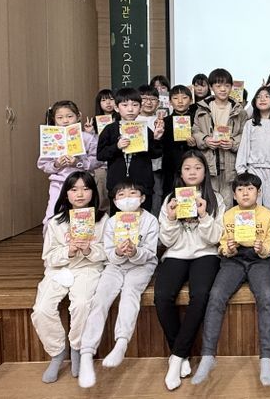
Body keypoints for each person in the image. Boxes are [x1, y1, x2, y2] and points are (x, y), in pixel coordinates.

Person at [191, 173, 270, 387]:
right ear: (234, 194)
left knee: (267, 296)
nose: (245, 193)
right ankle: (208, 356)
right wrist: (228, 249)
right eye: (240, 190)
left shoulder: (268, 215)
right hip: (234, 261)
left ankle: (266, 358)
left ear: (259, 192)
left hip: (260, 261)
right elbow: (222, 245)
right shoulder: (229, 215)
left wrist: (262, 248)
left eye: (250, 189)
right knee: (216, 295)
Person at [78, 180, 159, 388]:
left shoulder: (150, 221)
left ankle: (121, 342)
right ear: (115, 201)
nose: (127, 198)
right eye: (121, 195)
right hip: (115, 266)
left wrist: (135, 252)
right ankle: (86, 352)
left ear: (142, 198)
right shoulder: (112, 222)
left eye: (133, 193)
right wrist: (118, 252)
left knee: (130, 293)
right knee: (100, 298)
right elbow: (108, 253)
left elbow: (150, 252)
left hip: (141, 266)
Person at [155, 151, 225, 390]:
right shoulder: (170, 199)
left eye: (197, 167)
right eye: (187, 168)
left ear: (205, 171)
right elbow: (166, 240)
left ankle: (175, 358)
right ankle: (181, 353)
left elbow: (215, 238)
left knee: (201, 294)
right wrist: (171, 218)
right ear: (181, 173)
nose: (192, 172)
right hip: (176, 253)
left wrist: (204, 215)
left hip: (206, 254)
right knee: (162, 296)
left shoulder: (215, 198)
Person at [31, 172, 107, 383]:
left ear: (93, 192)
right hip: (59, 270)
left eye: (85, 188)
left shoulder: (102, 220)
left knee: (82, 304)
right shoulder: (56, 222)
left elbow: (107, 253)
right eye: (74, 189)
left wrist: (89, 250)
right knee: (41, 309)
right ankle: (57, 353)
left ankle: (77, 349)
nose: (80, 194)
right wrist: (69, 251)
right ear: (66, 194)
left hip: (88, 268)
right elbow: (48, 256)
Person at [96, 87, 164, 214]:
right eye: (125, 105)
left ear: (140, 108)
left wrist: (156, 139)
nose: (130, 109)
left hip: (142, 183)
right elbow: (100, 155)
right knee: (119, 219)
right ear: (116, 108)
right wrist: (116, 147)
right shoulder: (110, 129)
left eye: (135, 105)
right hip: (117, 184)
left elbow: (155, 154)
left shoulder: (144, 129)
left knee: (143, 217)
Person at [38, 100, 100, 230]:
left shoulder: (87, 137)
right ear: (54, 119)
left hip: (82, 184)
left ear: (78, 116)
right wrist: (56, 164)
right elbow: (43, 164)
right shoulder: (51, 138)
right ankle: (51, 241)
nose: (65, 121)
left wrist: (78, 162)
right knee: (52, 216)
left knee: (83, 216)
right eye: (60, 118)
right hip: (59, 183)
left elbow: (97, 160)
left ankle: (83, 241)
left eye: (69, 116)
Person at [193, 68, 248, 209]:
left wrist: (233, 143)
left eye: (227, 86)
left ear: (231, 87)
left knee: (228, 201)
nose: (223, 89)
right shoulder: (202, 109)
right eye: (218, 86)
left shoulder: (239, 111)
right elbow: (195, 130)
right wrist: (205, 140)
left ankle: (226, 224)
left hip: (230, 163)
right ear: (211, 87)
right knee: (209, 200)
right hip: (209, 162)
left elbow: (245, 134)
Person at [235, 86, 270, 212]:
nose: (262, 99)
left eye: (266, 96)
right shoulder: (250, 124)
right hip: (253, 170)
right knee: (252, 205)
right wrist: (242, 172)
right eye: (258, 97)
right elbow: (243, 148)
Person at [161, 84, 196, 198]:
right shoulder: (164, 122)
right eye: (175, 98)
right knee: (171, 196)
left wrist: (194, 144)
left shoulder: (197, 120)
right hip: (170, 167)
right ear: (170, 102)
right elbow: (160, 146)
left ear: (191, 100)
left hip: (192, 165)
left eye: (184, 98)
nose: (180, 101)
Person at [137, 84, 164, 216]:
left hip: (156, 169)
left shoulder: (162, 121)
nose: (148, 102)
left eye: (153, 99)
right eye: (144, 98)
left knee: (156, 199)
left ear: (158, 103)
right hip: (137, 168)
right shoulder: (131, 121)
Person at [93, 89, 117, 212]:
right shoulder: (93, 122)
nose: (108, 103)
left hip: (117, 162)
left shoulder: (122, 120)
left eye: (111, 99)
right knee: (102, 195)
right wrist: (91, 133)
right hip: (101, 165)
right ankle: (104, 219)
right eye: (103, 100)